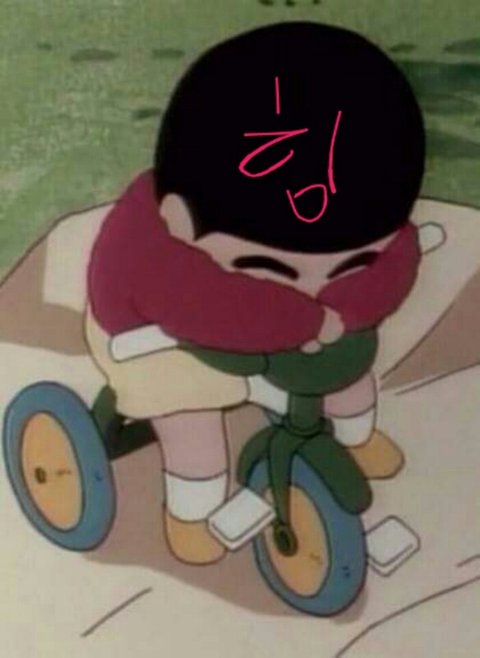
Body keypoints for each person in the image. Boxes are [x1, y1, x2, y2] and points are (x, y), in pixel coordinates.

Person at [86, 21, 425, 565]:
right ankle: (192, 510)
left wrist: (343, 306)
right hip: (157, 334)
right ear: (180, 221)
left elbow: (395, 261)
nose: (317, 285)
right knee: (189, 417)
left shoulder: (377, 228)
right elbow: (207, 305)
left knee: (346, 368)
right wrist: (308, 320)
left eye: (349, 262)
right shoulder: (150, 255)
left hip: (284, 331)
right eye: (270, 267)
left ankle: (356, 434)